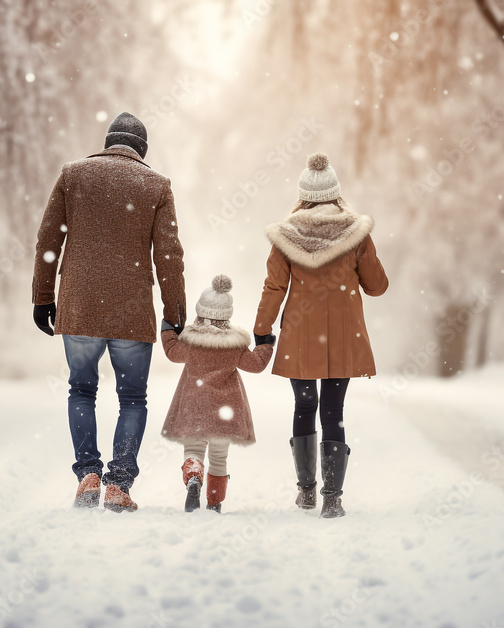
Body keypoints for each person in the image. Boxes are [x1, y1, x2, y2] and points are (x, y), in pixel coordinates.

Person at [32, 112, 186, 513]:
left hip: (80, 305)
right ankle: (119, 483)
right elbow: (169, 255)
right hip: (131, 313)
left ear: (107, 141)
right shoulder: (156, 185)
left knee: (81, 390)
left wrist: (43, 296)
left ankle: (87, 475)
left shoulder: (73, 175)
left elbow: (47, 239)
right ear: (142, 151)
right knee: (132, 399)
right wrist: (175, 310)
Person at [253, 152, 388, 518]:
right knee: (333, 410)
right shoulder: (356, 233)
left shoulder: (287, 236)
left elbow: (274, 287)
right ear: (336, 194)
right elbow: (377, 287)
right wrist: (362, 254)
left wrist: (261, 330)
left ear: (303, 195)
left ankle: (307, 492)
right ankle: (333, 498)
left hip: (300, 334)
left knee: (304, 406)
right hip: (343, 337)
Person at [160, 275, 274, 513]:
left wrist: (168, 330)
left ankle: (193, 475)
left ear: (200, 313)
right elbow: (256, 365)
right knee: (219, 457)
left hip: (194, 406)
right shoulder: (234, 345)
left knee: (193, 448)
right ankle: (214, 503)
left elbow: (171, 352)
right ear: (227, 317)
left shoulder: (190, 343)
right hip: (225, 411)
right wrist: (266, 345)